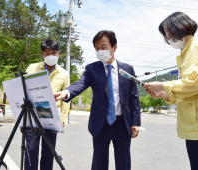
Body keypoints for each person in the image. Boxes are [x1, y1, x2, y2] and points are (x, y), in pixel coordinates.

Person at [54, 30, 141, 170]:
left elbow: (133, 98)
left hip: (122, 125)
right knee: (99, 163)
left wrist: (135, 122)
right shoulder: (92, 69)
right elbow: (81, 83)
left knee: (123, 163)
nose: (100, 51)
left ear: (114, 47)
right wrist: (66, 92)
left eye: (103, 47)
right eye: (97, 48)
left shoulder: (127, 69)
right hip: (101, 124)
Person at [143, 12, 198, 170]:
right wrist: (165, 94)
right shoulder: (187, 52)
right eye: (166, 35)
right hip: (195, 126)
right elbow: (190, 88)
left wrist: (162, 86)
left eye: (168, 33)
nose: (168, 38)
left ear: (180, 28)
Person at [24, 39, 70, 170]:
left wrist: (63, 118)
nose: (51, 56)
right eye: (47, 53)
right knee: (30, 151)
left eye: (53, 53)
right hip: (32, 115)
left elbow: (66, 98)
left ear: (59, 54)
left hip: (51, 116)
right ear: (42, 55)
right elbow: (24, 88)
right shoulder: (32, 68)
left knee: (49, 153)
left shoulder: (64, 74)